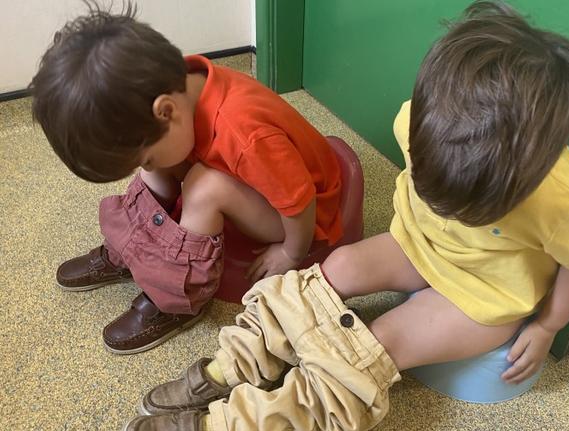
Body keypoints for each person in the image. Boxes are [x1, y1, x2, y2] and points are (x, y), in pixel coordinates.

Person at [117, 0, 569, 431]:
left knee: (376, 345)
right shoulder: (418, 121)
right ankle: (234, 365)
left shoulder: (562, 201)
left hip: (481, 295)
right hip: (418, 244)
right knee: (335, 268)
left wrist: (547, 325)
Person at [30, 2, 343, 354]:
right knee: (166, 161)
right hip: (257, 176)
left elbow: (298, 198)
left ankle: (181, 296)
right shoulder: (182, 85)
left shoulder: (243, 133)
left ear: (167, 110)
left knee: (202, 185)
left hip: (301, 209)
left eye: (142, 159)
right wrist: (153, 162)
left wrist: (290, 250)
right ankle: (131, 246)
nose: (144, 166)